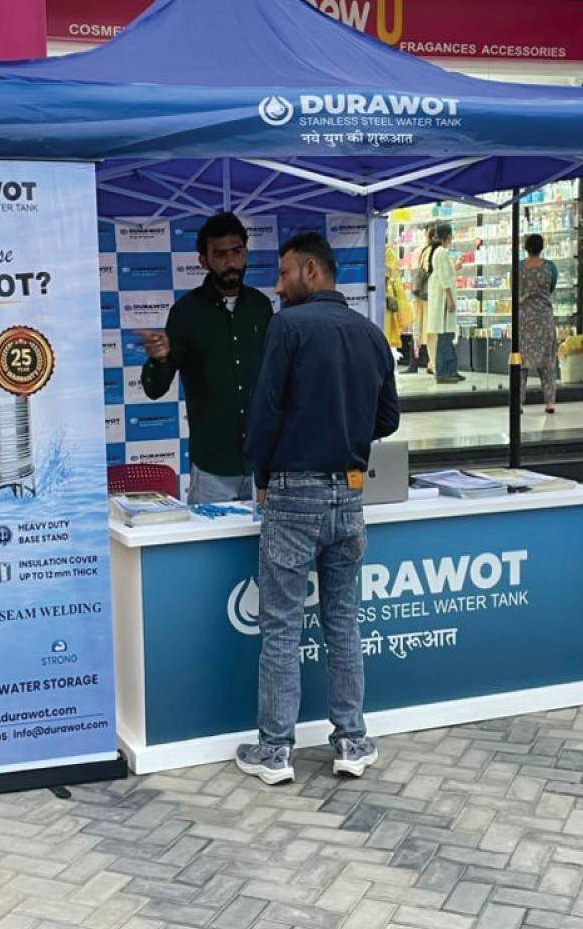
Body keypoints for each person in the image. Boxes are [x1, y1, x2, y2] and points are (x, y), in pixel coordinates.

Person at [237, 232, 400, 785]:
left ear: (312, 271)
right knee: (343, 623)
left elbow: (265, 412)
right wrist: (347, 430)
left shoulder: (287, 327)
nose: (278, 286)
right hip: (349, 496)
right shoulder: (371, 333)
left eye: (285, 274)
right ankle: (351, 741)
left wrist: (262, 476)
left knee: (281, 627)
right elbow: (388, 419)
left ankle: (275, 751)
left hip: (292, 495)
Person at [139, 213, 273, 502]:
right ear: (204, 261)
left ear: (246, 253)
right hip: (213, 467)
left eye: (236, 252)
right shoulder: (185, 313)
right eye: (220, 255)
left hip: (262, 463)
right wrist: (159, 359)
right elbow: (154, 389)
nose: (231, 262)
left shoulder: (262, 307)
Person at [519, 233, 560, 413]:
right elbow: (551, 287)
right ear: (542, 248)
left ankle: (519, 403)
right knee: (547, 362)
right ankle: (550, 402)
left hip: (524, 320)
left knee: (521, 363)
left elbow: (515, 289)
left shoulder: (519, 267)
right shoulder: (550, 267)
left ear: (525, 248)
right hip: (544, 319)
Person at [424, 223, 462, 384]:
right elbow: (444, 278)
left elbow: (446, 274)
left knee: (448, 336)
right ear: (447, 236)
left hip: (445, 300)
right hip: (444, 302)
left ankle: (451, 370)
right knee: (444, 338)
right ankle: (442, 373)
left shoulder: (440, 252)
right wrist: (450, 300)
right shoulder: (440, 252)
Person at [406, 226, 437, 374]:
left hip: (420, 294)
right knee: (431, 332)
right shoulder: (432, 251)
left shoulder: (421, 250)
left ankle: (420, 363)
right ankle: (432, 364)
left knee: (420, 329)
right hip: (429, 296)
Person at [383, 243, 411, 366]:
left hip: (385, 297)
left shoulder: (388, 251)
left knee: (387, 330)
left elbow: (390, 274)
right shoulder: (389, 251)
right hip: (386, 296)